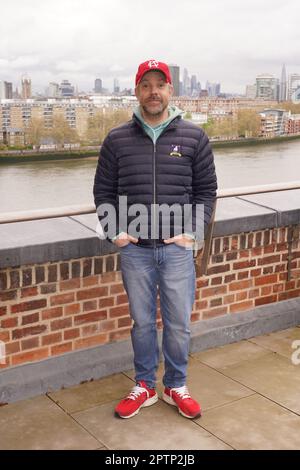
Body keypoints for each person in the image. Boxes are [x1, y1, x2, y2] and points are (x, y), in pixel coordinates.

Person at [93, 59, 217, 419]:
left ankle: (176, 385)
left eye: (159, 85)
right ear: (137, 91)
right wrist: (114, 231)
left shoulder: (193, 136)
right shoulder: (117, 139)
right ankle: (145, 384)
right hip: (136, 252)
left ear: (170, 91)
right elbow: (103, 191)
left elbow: (206, 192)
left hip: (177, 250)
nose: (153, 92)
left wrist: (192, 233)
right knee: (142, 323)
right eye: (145, 85)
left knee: (179, 323)